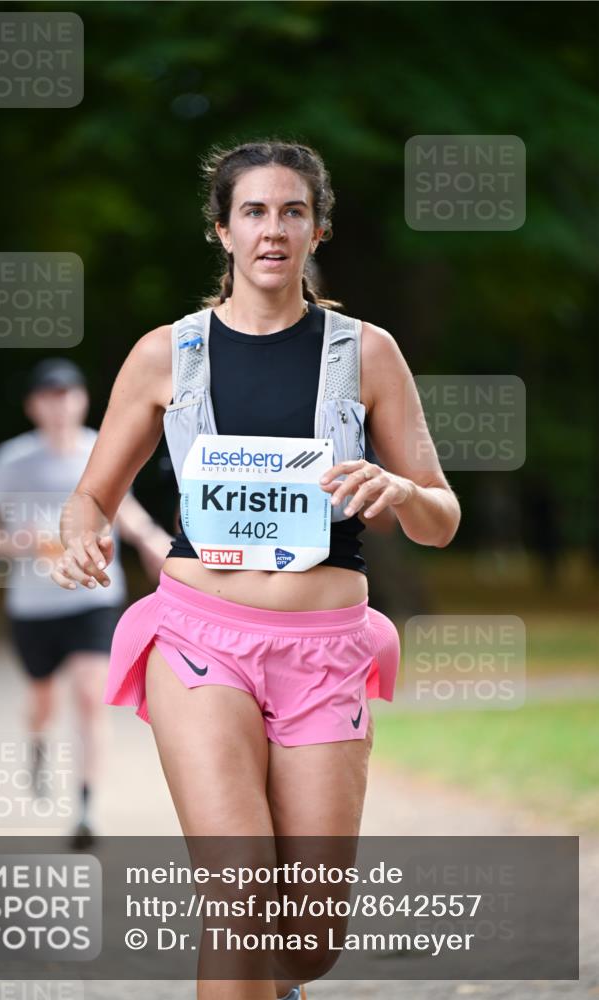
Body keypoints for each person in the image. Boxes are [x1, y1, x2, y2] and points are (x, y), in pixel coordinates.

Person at [52, 141, 461, 999]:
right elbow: (91, 496)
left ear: (317, 230)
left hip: (325, 648)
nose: (272, 229)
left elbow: (440, 519)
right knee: (238, 893)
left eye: (291, 211)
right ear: (222, 231)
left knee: (304, 939)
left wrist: (398, 488)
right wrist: (79, 532)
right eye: (253, 212)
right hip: (202, 641)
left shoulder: (367, 353)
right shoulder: (168, 355)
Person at [0, 358, 173, 848]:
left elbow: (124, 508)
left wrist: (150, 541)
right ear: (34, 406)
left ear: (81, 400)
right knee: (42, 703)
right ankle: (37, 743)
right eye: (49, 397)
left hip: (93, 596)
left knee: (87, 696)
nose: (60, 406)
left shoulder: (100, 449)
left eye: (69, 395)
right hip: (33, 607)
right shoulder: (12, 460)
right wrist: (19, 543)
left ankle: (85, 807)